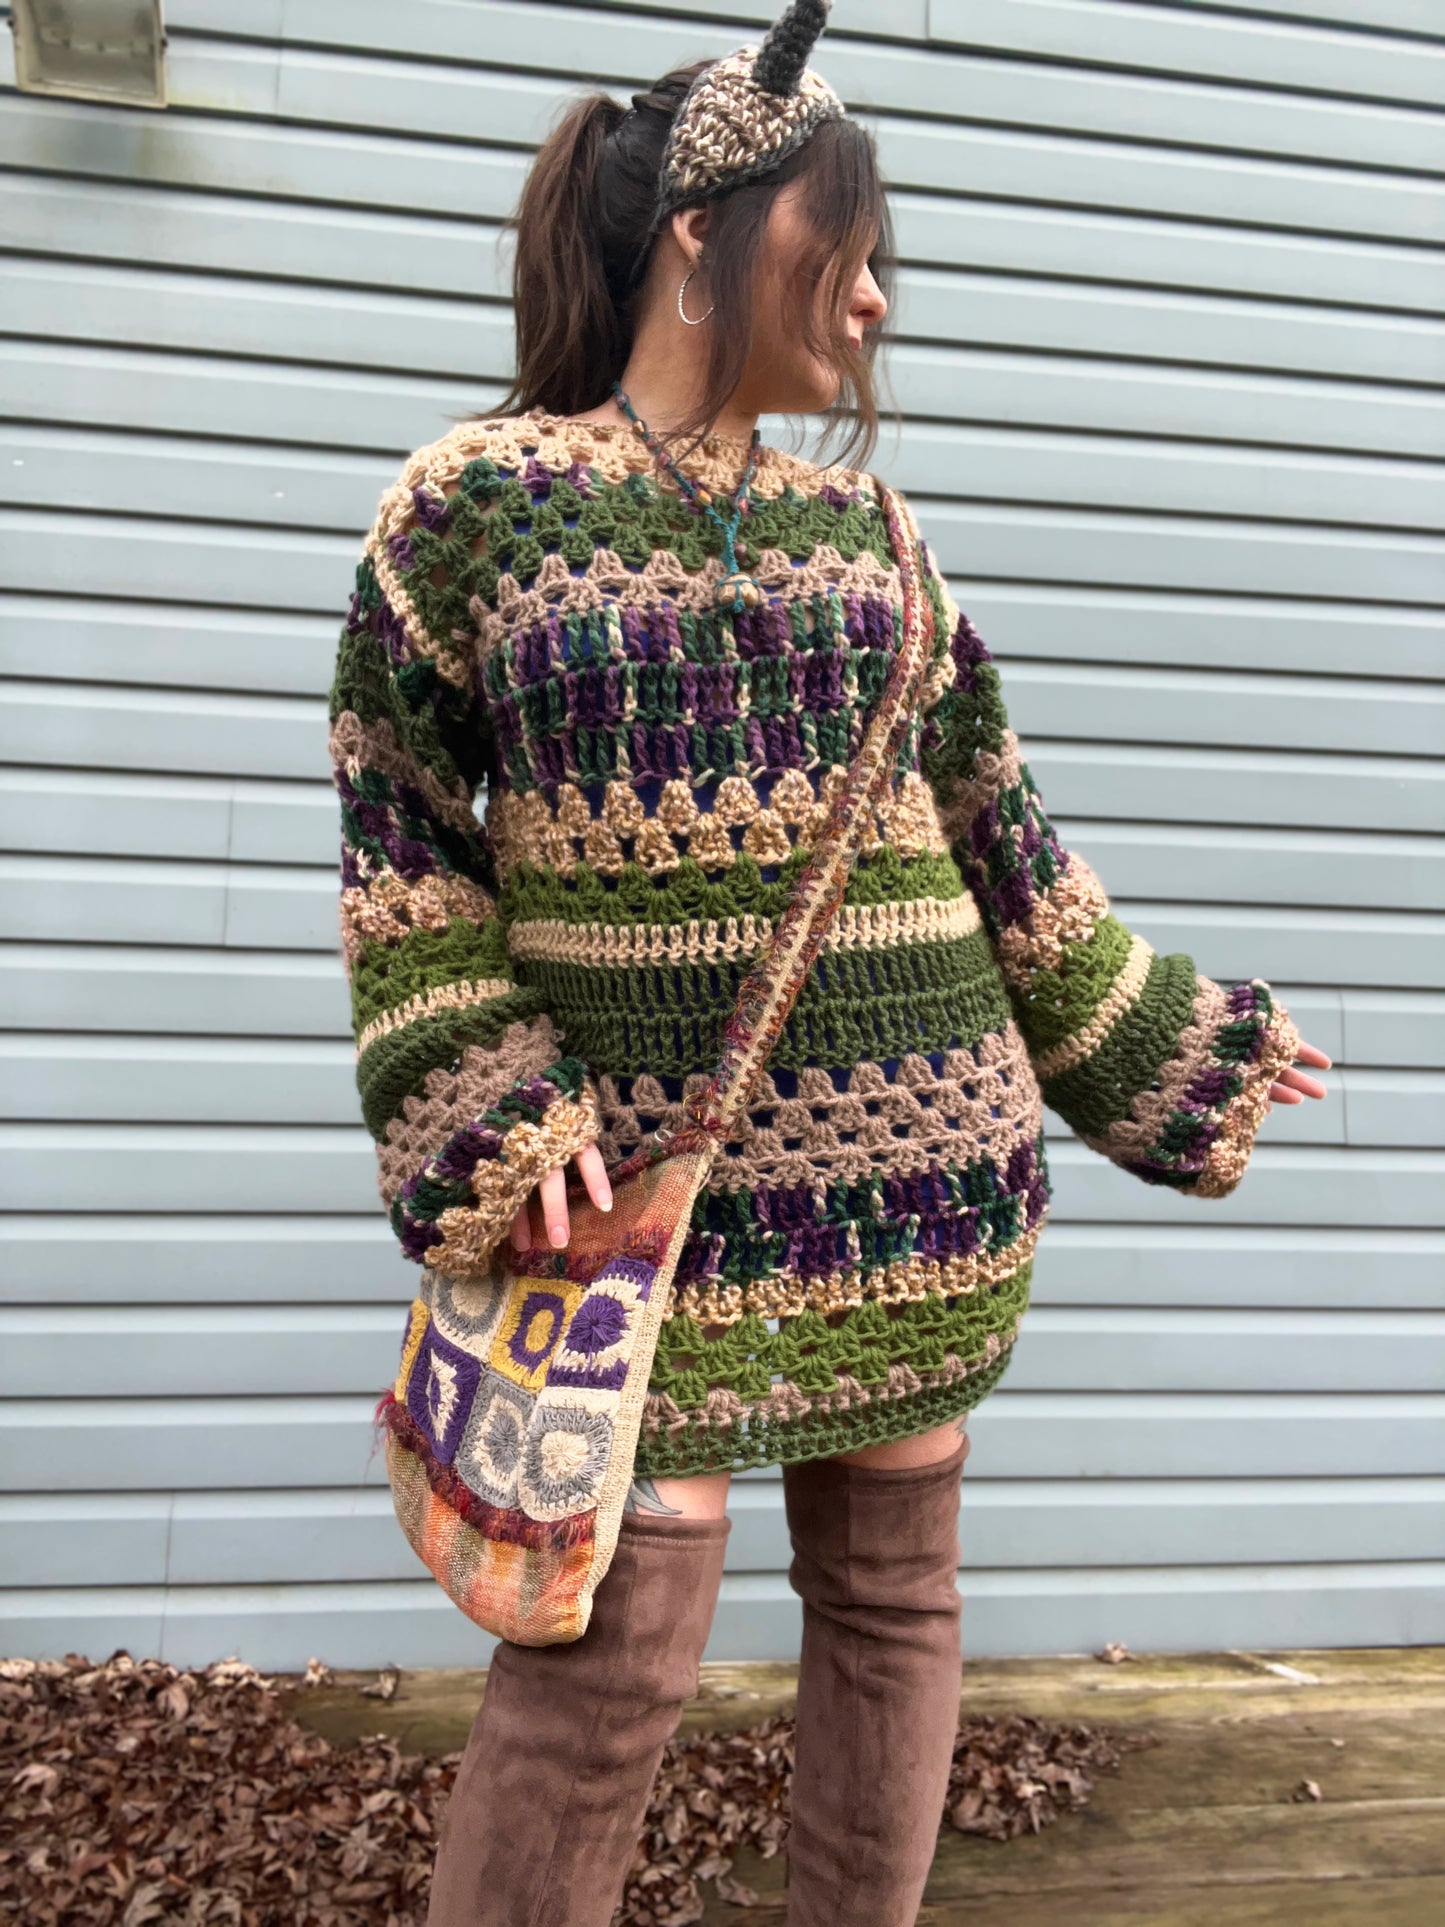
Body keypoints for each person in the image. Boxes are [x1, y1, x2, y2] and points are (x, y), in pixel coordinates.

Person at [327, 4, 1331, 1921]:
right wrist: (487, 1097)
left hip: (919, 1178)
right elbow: (404, 840)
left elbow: (1002, 845)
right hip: (649, 1198)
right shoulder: (470, 508)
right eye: (840, 245)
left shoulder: (877, 535)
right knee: (607, 1657)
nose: (872, 299)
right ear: (700, 230)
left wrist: (1168, 1039)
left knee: (891, 1603)